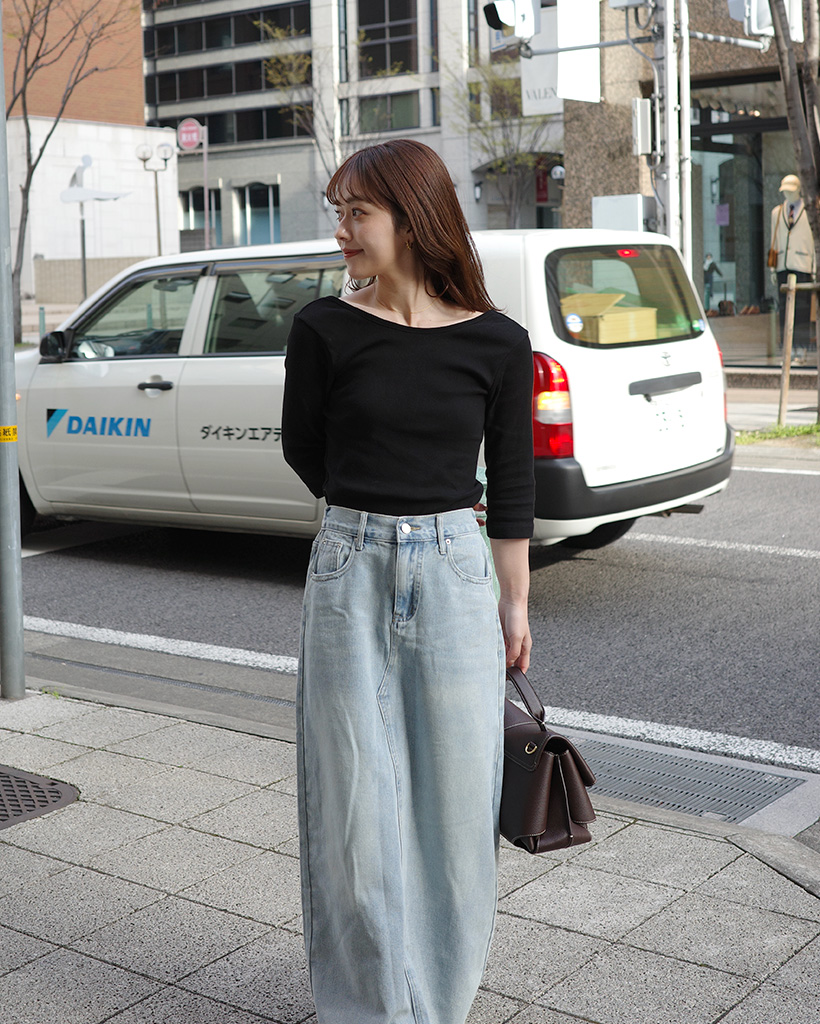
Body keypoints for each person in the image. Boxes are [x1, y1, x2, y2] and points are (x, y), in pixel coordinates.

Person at [281, 139, 535, 1024]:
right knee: (352, 810)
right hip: (349, 566)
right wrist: (372, 512)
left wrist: (514, 602)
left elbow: (513, 483)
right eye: (339, 212)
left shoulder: (499, 342)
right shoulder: (323, 328)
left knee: (458, 812)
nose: (342, 230)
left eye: (358, 212)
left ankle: (440, 1006)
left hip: (458, 572)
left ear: (413, 217)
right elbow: (306, 451)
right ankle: (367, 1009)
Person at [769, 173, 815, 359]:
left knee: (802, 310)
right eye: (785, 191)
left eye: (791, 191)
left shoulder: (810, 211)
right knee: (784, 310)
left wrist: (814, 268)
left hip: (803, 265)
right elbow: (773, 240)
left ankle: (801, 348)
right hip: (783, 264)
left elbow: (814, 240)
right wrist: (773, 268)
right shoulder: (777, 212)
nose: (788, 194)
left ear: (798, 190)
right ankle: (787, 350)